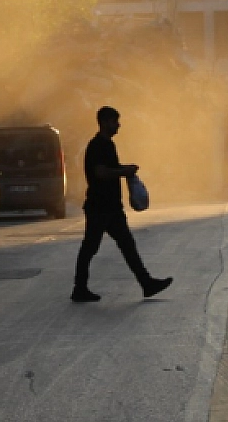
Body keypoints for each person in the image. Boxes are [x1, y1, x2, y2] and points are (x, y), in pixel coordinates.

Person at [72, 106, 172, 303]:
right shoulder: (97, 146)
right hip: (100, 207)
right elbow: (100, 172)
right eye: (114, 121)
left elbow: (111, 169)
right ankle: (80, 289)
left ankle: (146, 283)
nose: (118, 125)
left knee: (127, 245)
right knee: (91, 247)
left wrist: (126, 169)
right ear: (104, 122)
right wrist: (123, 172)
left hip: (111, 207)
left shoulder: (108, 145)